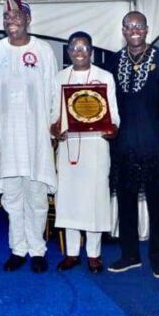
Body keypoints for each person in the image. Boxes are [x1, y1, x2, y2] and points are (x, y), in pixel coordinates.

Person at [107, 11, 159, 279]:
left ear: (147, 29)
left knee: (157, 204)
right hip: (124, 144)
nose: (134, 30)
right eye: (129, 26)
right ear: (123, 31)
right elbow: (107, 103)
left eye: (139, 26)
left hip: (156, 144)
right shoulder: (113, 62)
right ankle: (129, 255)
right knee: (126, 200)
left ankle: (158, 258)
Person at [0, 0, 57, 273]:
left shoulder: (43, 50)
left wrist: (52, 132)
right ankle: (18, 249)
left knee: (36, 197)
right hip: (5, 138)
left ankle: (37, 250)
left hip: (36, 138)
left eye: (16, 16)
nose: (10, 21)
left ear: (28, 19)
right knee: (12, 198)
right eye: (6, 17)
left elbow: (53, 94)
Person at [50, 31, 120, 273]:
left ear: (91, 51)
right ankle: (71, 253)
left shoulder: (105, 77)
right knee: (69, 200)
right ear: (68, 51)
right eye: (74, 48)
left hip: (96, 146)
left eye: (84, 48)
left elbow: (114, 114)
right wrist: (54, 128)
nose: (79, 52)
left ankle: (93, 254)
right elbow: (54, 113)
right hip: (69, 147)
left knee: (94, 200)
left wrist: (112, 128)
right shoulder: (59, 78)